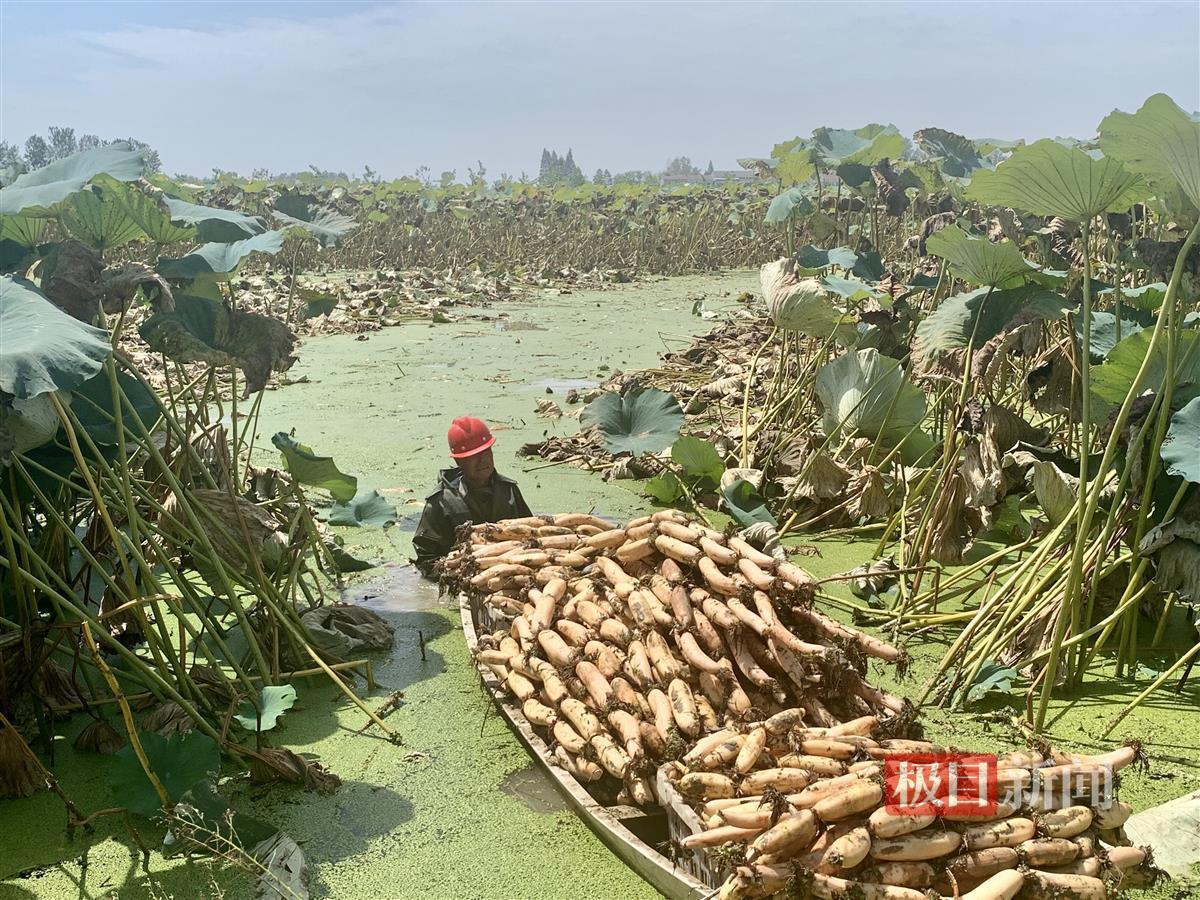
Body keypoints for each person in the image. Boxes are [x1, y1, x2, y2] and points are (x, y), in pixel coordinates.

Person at [412, 416, 532, 578]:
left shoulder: (508, 490)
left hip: (511, 574)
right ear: (458, 461)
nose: (482, 460)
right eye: (473, 456)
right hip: (464, 577)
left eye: (486, 452)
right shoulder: (441, 502)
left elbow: (531, 535)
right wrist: (458, 571)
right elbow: (427, 560)